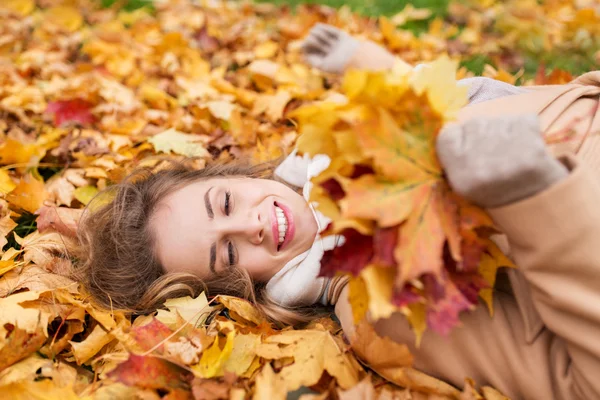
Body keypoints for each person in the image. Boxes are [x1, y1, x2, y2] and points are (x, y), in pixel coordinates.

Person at [76, 23, 600, 400]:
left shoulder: (354, 133)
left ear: (236, 175)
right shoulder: (380, 308)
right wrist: (535, 200)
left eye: (227, 204)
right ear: (243, 293)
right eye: (228, 251)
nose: (251, 224)